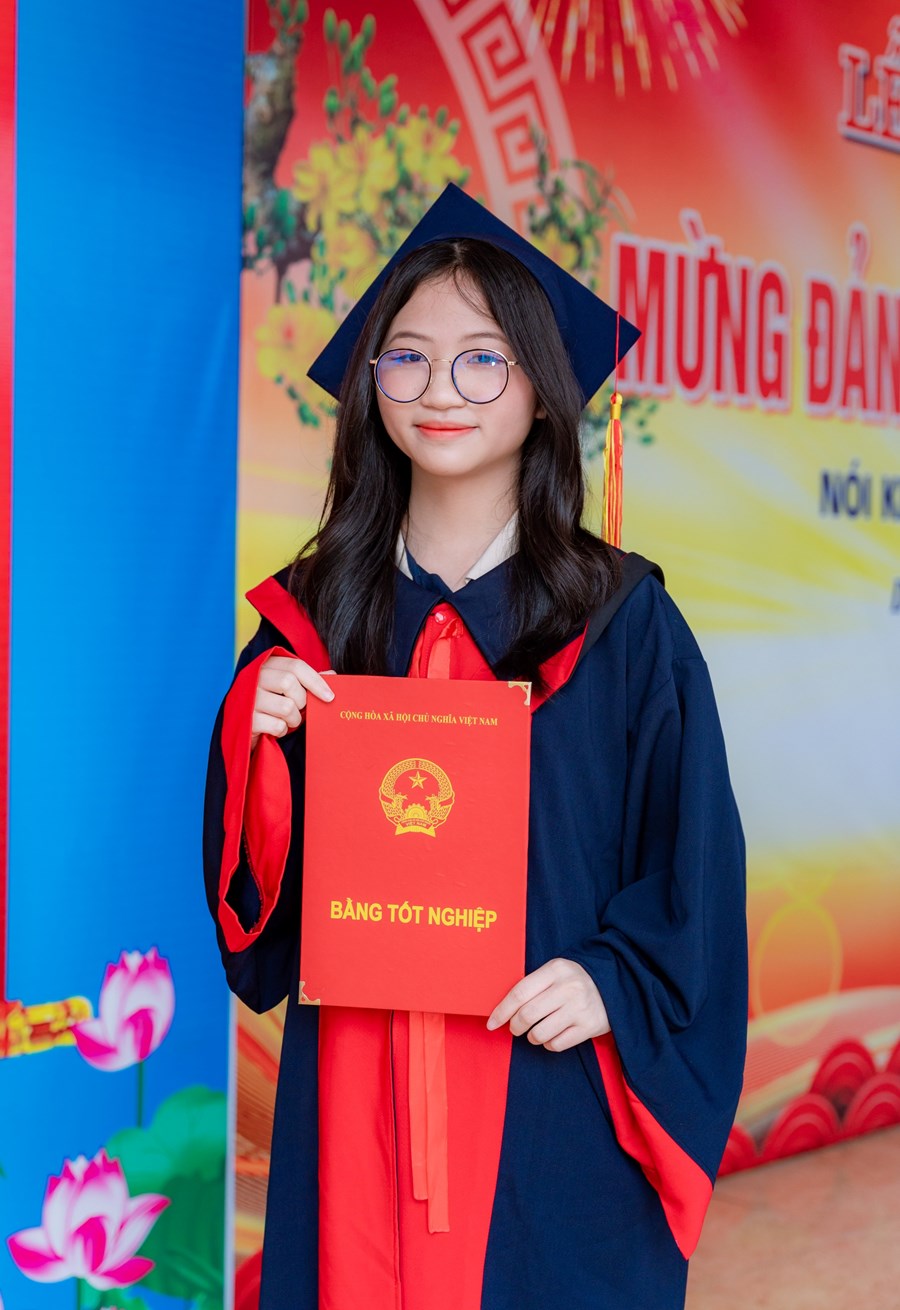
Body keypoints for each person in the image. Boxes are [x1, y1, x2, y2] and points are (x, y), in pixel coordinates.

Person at [204, 184, 747, 1310]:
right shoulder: (312, 616)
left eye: (483, 359)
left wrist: (613, 979)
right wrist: (257, 744)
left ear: (543, 393)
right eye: (405, 358)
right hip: (356, 1080)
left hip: (545, 1087)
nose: (440, 389)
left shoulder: (621, 620)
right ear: (372, 386)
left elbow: (690, 856)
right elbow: (268, 912)